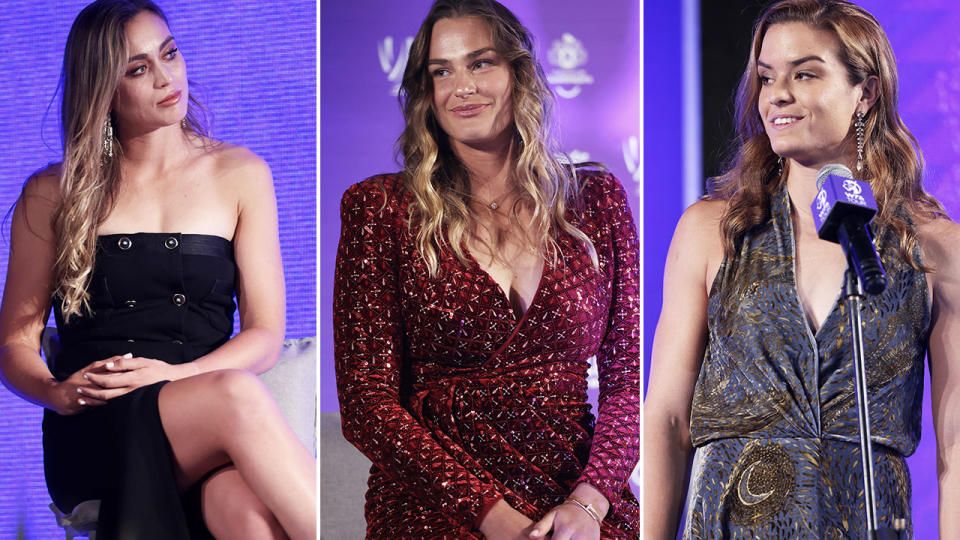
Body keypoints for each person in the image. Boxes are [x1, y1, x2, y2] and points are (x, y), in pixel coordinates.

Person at [644, 0, 960, 537]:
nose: (778, 95)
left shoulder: (933, 249)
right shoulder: (712, 230)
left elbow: (956, 446)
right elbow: (667, 418)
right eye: (767, 78)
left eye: (805, 73)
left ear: (866, 93)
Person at [0, 1, 315, 538]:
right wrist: (57, 393)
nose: (167, 77)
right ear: (103, 91)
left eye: (169, 54)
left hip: (205, 410)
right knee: (235, 396)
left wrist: (177, 376)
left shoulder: (241, 173)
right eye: (138, 69)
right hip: (101, 424)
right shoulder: (51, 194)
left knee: (242, 509)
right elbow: (14, 346)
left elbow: (265, 335)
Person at [333, 0, 640, 538]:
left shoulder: (596, 199)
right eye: (441, 71)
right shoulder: (381, 208)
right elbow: (365, 402)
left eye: (480, 63)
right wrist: (491, 517)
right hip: (435, 501)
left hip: (573, 498)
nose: (461, 87)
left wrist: (590, 504)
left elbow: (626, 384)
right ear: (426, 94)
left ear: (518, 73)